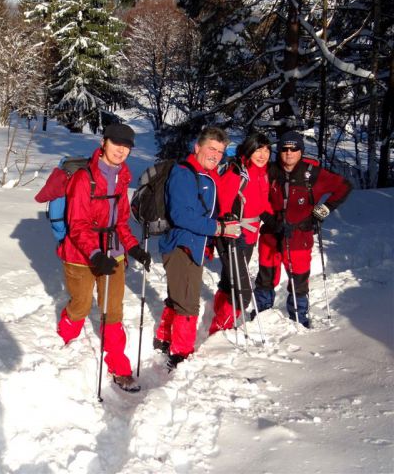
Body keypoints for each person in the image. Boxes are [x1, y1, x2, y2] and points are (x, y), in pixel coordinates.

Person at [56, 123, 151, 393]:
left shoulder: (123, 177)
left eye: (127, 146)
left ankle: (119, 366)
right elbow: (77, 225)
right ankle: (64, 340)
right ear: (103, 142)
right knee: (81, 305)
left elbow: (121, 222)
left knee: (113, 311)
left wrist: (133, 248)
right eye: (116, 143)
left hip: (113, 253)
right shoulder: (84, 178)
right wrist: (96, 255)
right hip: (80, 254)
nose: (121, 150)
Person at [153, 126, 240, 369]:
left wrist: (220, 223)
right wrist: (219, 229)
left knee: (179, 295)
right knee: (188, 303)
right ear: (197, 147)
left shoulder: (205, 174)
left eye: (220, 151)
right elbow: (182, 215)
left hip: (193, 245)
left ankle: (163, 337)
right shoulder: (184, 173)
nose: (215, 154)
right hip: (183, 245)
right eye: (211, 148)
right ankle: (180, 354)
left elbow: (204, 210)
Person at [253, 130, 352, 327]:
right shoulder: (269, 171)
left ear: (301, 150)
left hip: (300, 235)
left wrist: (321, 213)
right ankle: (260, 318)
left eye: (294, 148)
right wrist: (271, 221)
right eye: (284, 149)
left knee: (298, 280)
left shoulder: (312, 173)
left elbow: (344, 187)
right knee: (265, 278)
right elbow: (255, 195)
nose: (289, 153)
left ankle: (299, 318)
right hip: (272, 236)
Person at [209, 132, 275, 335]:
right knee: (243, 290)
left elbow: (262, 203)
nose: (263, 155)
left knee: (230, 279)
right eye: (258, 149)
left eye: (266, 150)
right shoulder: (236, 172)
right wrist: (229, 222)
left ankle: (218, 319)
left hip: (250, 234)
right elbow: (223, 206)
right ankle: (221, 329)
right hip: (233, 235)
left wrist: (276, 222)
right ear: (249, 149)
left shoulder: (262, 173)